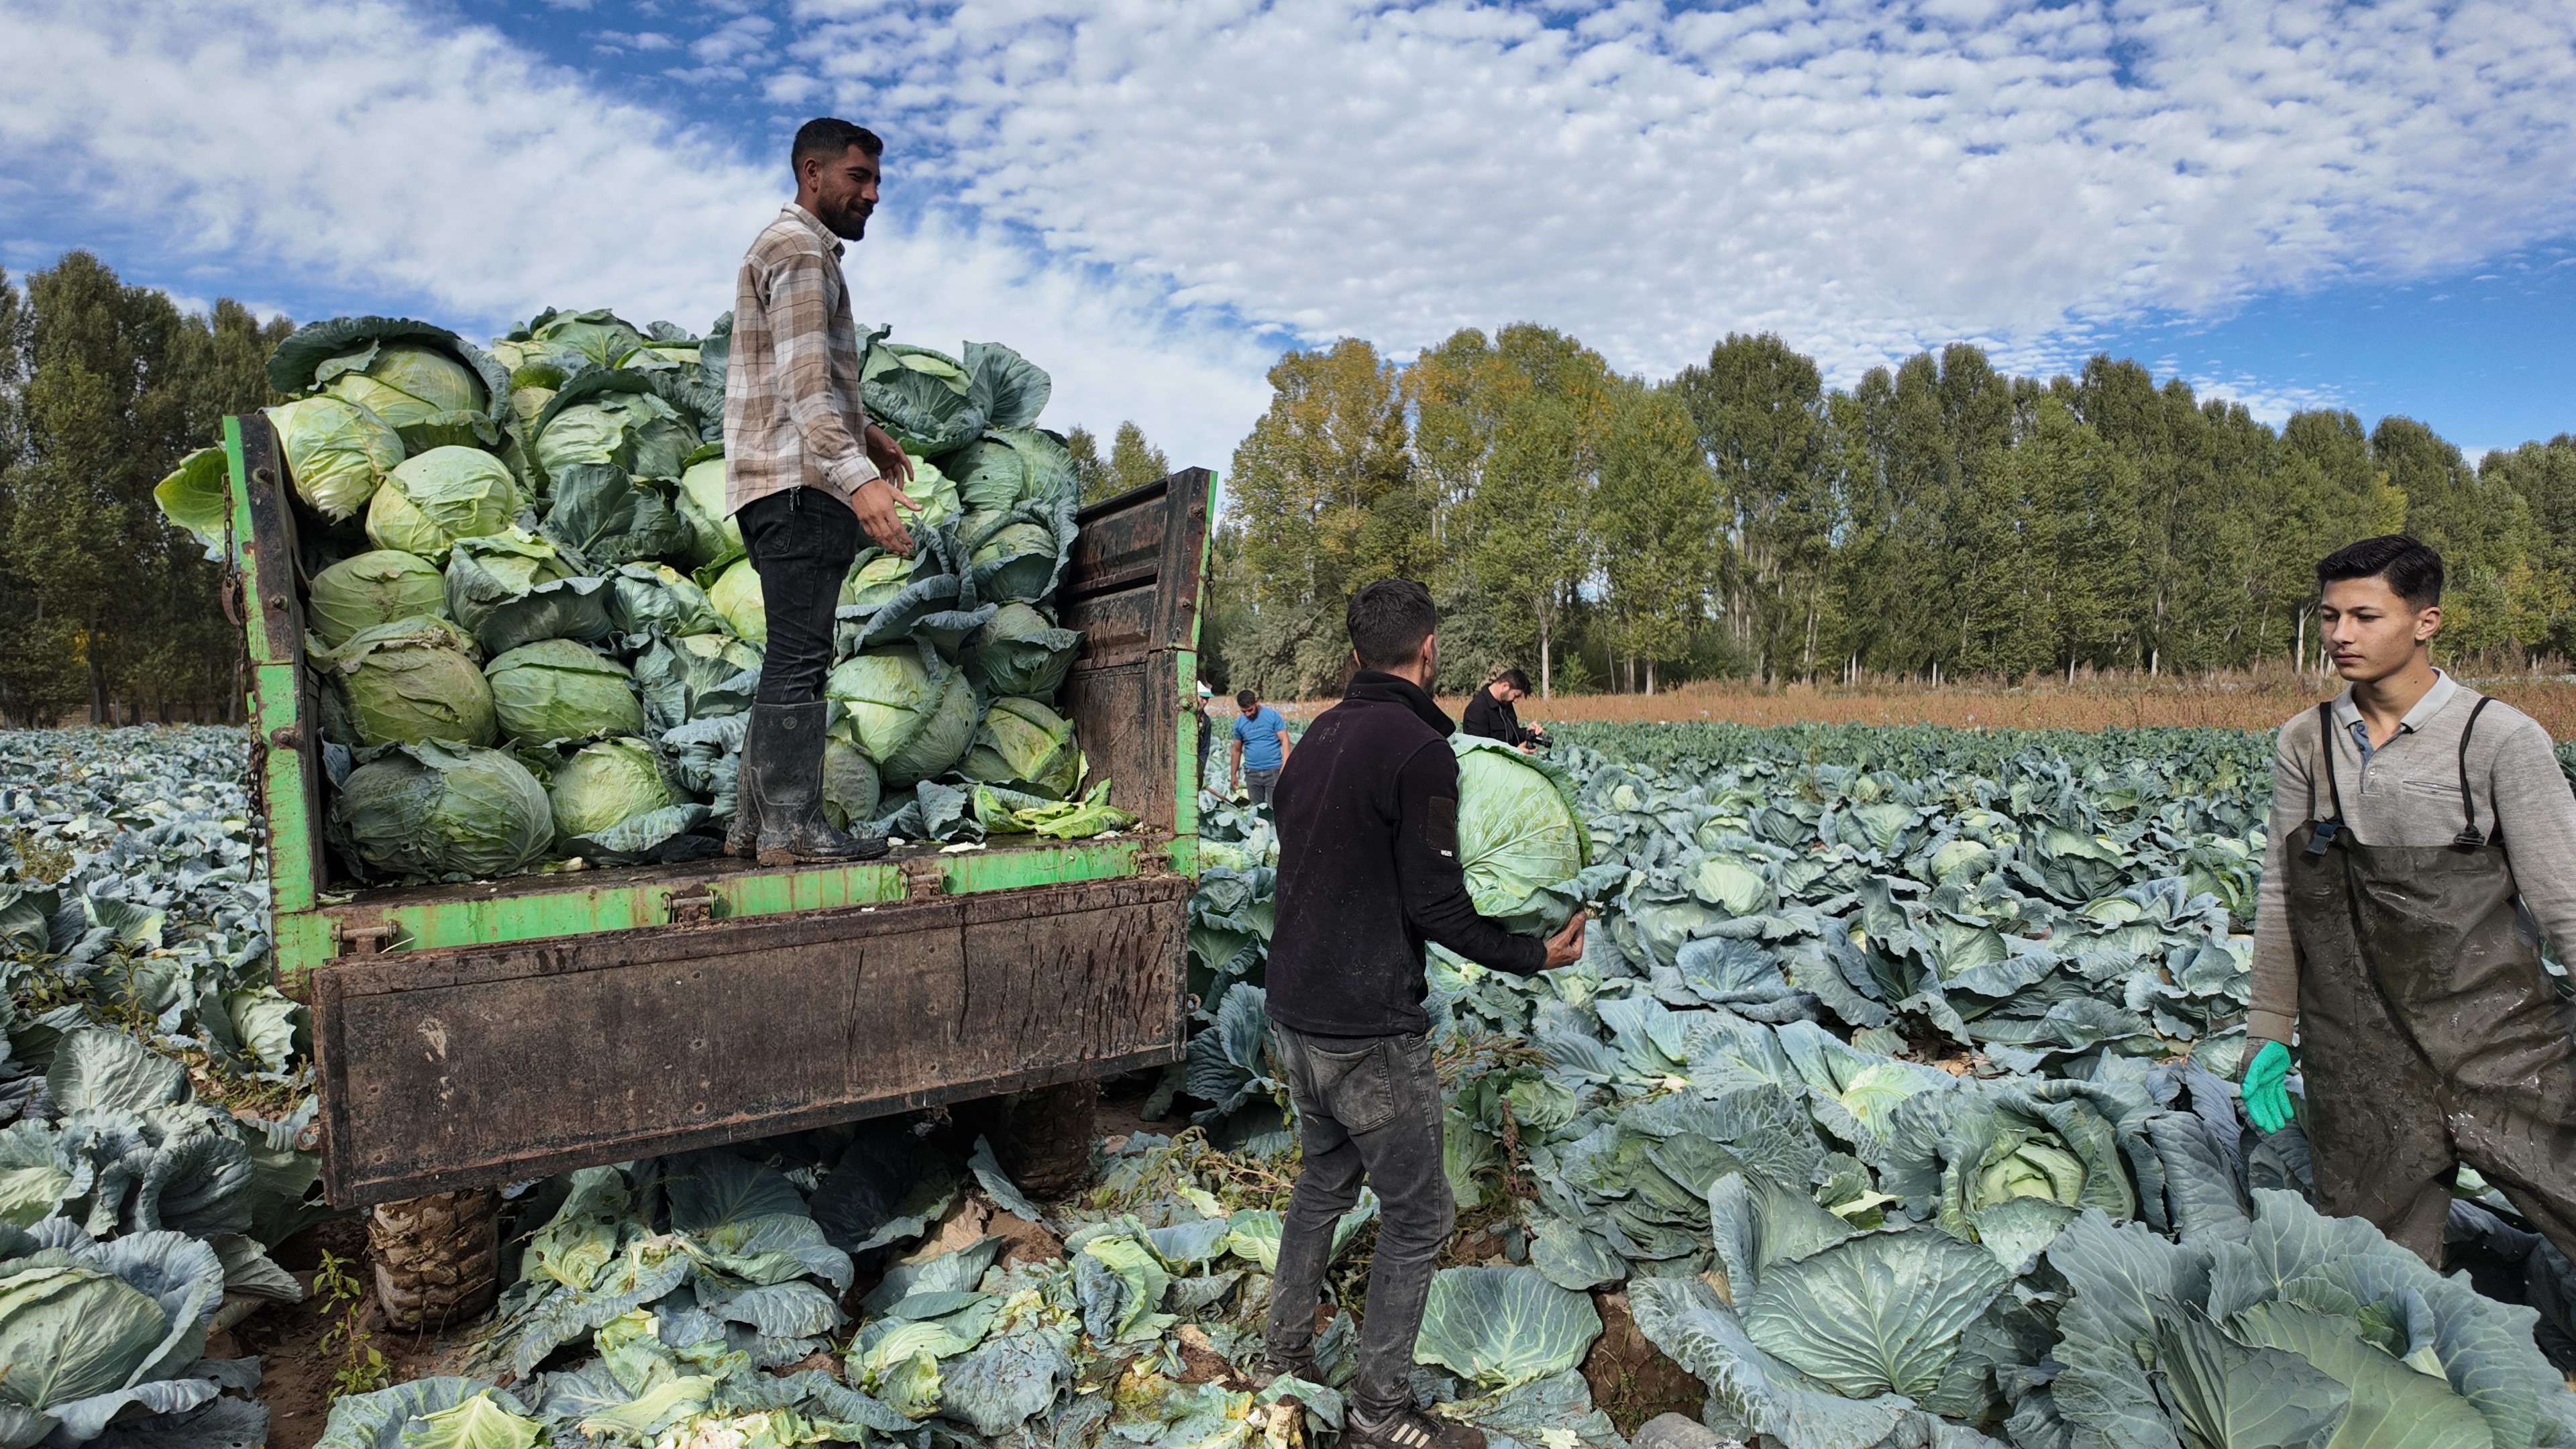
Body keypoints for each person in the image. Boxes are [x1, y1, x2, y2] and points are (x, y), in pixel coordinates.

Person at [1260, 578, 1589, 1449]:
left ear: (1354, 652)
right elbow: (1440, 908)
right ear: (1431, 650)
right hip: (1367, 1027)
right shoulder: (1418, 752)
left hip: (1293, 1012)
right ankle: (1381, 1414)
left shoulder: (1318, 737)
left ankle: (1280, 1360)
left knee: (1322, 1183)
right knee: (1417, 1218)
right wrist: (1535, 954)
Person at [2243, 534, 2576, 1268]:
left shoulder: (2499, 740)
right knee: (2377, 1270)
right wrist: (2269, 1025)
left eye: (2365, 616)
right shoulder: (2308, 741)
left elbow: (2567, 901)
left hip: (2498, 1036)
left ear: (2427, 622)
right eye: (2330, 617)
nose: (2340, 636)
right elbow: (2282, 893)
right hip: (2359, 1046)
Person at [722, 117, 922, 866]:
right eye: (857, 178)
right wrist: (860, 481)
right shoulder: (804, 251)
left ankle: (754, 827)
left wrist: (866, 431)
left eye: (875, 181)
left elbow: (795, 375)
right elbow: (807, 392)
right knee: (802, 658)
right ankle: (791, 828)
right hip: (800, 488)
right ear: (814, 172)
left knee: (788, 655)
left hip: (773, 483)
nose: (872, 194)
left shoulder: (785, 247)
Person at [1228, 688, 1291, 809]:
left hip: (1274, 771)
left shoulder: (1272, 716)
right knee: (1254, 810)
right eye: (1244, 711)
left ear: (1257, 702)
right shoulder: (1239, 723)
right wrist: (1233, 774)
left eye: (1250, 710)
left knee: (1276, 808)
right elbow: (1236, 750)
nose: (1248, 714)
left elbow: (1285, 740)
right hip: (1252, 773)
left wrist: (1286, 764)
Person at [1461, 667, 1549, 753]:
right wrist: (1516, 752)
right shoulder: (1477, 710)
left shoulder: (1506, 704)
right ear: (1505, 686)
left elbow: (1511, 738)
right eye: (1516, 695)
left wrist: (1528, 732)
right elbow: (1479, 752)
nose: (1516, 701)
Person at [1195, 680, 1215, 796]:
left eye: (1207, 699)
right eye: (1202, 697)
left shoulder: (1206, 721)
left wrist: (1200, 771)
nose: (1205, 702)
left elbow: (1204, 750)